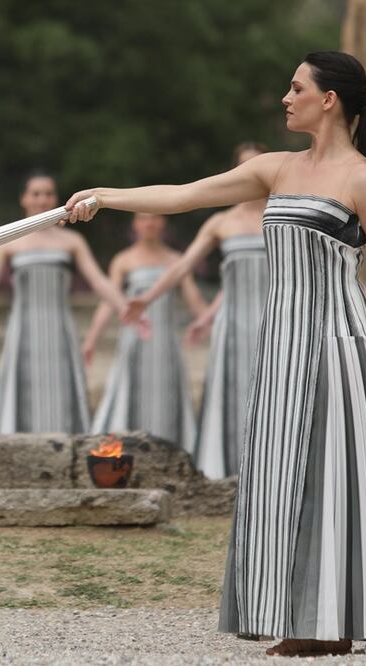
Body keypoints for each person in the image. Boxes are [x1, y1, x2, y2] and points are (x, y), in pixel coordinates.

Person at [65, 51, 366, 656]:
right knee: (282, 476)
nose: (286, 97)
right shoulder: (275, 168)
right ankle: (307, 623)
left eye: (296, 88)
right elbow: (183, 196)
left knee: (360, 471)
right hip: (281, 345)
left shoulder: (363, 180)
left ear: (328, 99)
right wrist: (104, 196)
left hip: (340, 342)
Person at [112, 143, 268, 477]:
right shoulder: (220, 222)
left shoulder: (282, 214)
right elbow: (183, 266)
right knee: (234, 392)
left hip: (277, 319)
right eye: (244, 166)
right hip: (233, 325)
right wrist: (147, 299)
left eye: (258, 165)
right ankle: (230, 471)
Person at [0, 172, 127, 434]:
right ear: (24, 199)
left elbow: (98, 281)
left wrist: (126, 308)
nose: (42, 199)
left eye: (48, 193)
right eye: (36, 193)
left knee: (61, 391)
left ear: (56, 198)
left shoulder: (73, 241)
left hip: (61, 331)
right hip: (23, 332)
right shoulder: (7, 241)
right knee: (24, 392)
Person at [84, 212, 206, 449]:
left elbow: (193, 296)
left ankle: (171, 449)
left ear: (164, 222)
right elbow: (108, 302)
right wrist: (91, 339)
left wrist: (208, 320)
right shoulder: (123, 260)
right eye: (143, 218)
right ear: (135, 224)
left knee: (167, 395)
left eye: (155, 217)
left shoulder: (176, 259)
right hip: (133, 341)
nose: (149, 223)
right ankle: (124, 450)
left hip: (166, 343)